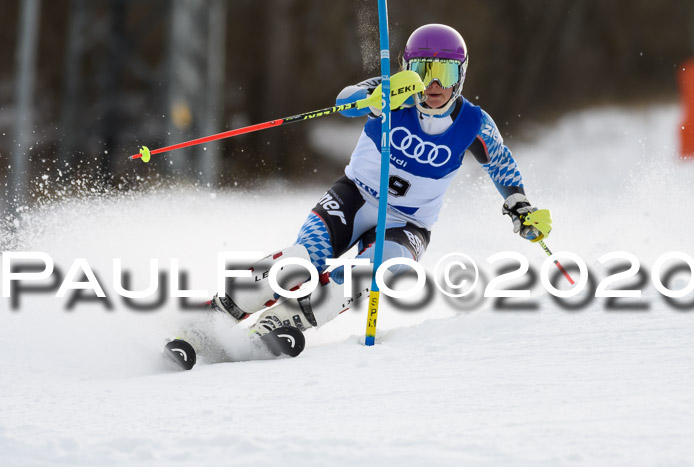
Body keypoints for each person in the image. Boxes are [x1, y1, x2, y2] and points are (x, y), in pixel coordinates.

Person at [209, 23, 550, 336]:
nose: (433, 85)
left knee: (370, 271)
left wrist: (519, 206)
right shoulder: (393, 94)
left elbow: (501, 164)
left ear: (460, 75)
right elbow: (346, 102)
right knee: (302, 260)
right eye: (422, 71)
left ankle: (280, 323)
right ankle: (221, 311)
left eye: (444, 73)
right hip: (353, 197)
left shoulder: (474, 123)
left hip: (409, 223)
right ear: (407, 69)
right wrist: (373, 101)